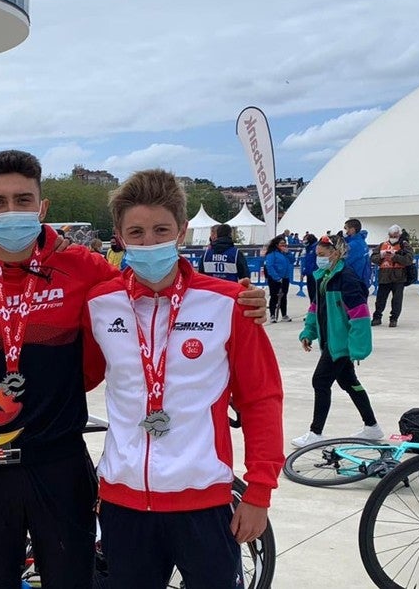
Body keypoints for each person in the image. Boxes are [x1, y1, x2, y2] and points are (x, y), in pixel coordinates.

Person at [0, 152, 269, 589]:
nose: (11, 211)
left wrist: (242, 301)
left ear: (42, 207)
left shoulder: (85, 270)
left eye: (22, 199)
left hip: (61, 462)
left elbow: (124, 326)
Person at [81, 169, 282, 589]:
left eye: (161, 230)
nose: (148, 242)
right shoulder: (100, 304)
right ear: (118, 236)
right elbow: (78, 377)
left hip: (203, 502)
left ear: (182, 231)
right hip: (123, 503)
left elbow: (261, 399)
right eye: (136, 232)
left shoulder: (228, 304)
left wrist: (259, 491)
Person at [293, 233, 383, 447]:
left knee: (320, 381)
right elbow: (315, 308)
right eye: (317, 254)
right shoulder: (323, 277)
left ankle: (316, 432)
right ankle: (372, 427)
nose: (319, 258)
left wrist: (357, 347)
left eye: (322, 254)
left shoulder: (347, 279)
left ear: (335, 253)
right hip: (329, 341)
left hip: (340, 345)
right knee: (349, 383)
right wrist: (309, 332)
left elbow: (360, 315)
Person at [371, 224, 414, 327]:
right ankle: (377, 317)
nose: (393, 237)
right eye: (391, 235)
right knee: (380, 299)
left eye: (395, 235)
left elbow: (409, 260)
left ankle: (394, 319)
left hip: (399, 277)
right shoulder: (382, 245)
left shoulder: (405, 245)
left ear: (399, 235)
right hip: (384, 277)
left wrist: (395, 257)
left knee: (397, 300)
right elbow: (373, 258)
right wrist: (381, 256)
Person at [262, 235, 293, 323]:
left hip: (285, 277)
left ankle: (284, 314)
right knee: (274, 296)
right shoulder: (272, 253)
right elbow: (270, 266)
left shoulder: (285, 253)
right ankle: (272, 315)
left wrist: (288, 253)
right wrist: (276, 277)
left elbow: (292, 260)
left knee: (284, 296)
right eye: (281, 244)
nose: (283, 245)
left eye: (284, 244)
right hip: (275, 278)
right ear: (276, 244)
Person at [343, 218, 372, 288]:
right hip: (361, 278)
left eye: (345, 228)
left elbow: (344, 262)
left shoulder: (353, 245)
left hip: (353, 279)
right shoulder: (361, 241)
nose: (344, 231)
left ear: (352, 230)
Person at [300, 233, 319, 304]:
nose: (304, 241)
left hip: (314, 274)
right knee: (311, 293)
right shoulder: (309, 248)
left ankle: (315, 309)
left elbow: (311, 263)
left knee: (314, 293)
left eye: (305, 240)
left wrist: (304, 272)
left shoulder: (314, 248)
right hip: (310, 273)